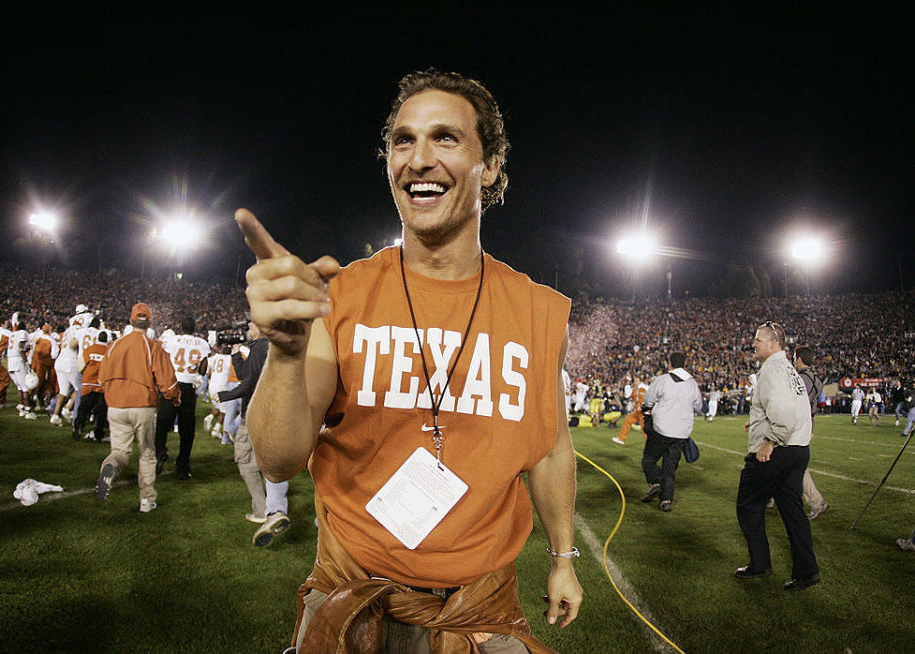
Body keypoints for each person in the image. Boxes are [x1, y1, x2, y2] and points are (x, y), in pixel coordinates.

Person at [237, 70, 582, 652]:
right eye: (403, 140)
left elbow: (549, 447)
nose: (418, 158)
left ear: (490, 166)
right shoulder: (340, 295)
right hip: (352, 600)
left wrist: (563, 558)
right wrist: (287, 353)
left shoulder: (537, 310)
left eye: (445, 138)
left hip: (481, 607)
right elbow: (276, 460)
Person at [734, 322, 820, 591]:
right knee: (792, 509)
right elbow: (793, 407)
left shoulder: (771, 370)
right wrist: (760, 424)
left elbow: (783, 412)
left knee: (748, 504)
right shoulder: (789, 370)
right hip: (798, 449)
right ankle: (807, 571)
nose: (754, 344)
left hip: (779, 450)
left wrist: (769, 440)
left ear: (772, 343)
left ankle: (760, 563)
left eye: (758, 340)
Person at [96, 303, 180, 513]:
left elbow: (102, 378)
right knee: (147, 454)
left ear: (131, 320)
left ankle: (111, 467)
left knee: (119, 451)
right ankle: (146, 499)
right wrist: (174, 398)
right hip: (143, 404)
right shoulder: (152, 346)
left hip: (116, 404)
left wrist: (112, 394)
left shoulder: (114, 345)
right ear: (149, 321)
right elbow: (167, 382)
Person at [214, 321, 291, 544]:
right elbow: (245, 374)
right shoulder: (274, 346)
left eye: (251, 324)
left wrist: (225, 396)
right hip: (277, 413)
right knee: (271, 462)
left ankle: (264, 510)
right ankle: (273, 509)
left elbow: (249, 384)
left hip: (257, 414)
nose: (248, 328)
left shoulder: (260, 347)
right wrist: (237, 354)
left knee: (246, 461)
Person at [638, 352, 702, 511]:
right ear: (684, 364)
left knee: (648, 460)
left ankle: (655, 482)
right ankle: (666, 500)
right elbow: (698, 406)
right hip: (681, 432)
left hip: (661, 429)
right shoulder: (692, 384)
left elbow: (648, 401)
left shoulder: (663, 380)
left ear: (669, 363)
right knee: (670, 467)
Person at [154, 317, 210, 480]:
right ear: (195, 328)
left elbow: (164, 358)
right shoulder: (202, 344)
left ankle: (160, 452)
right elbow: (202, 370)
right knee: (187, 431)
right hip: (188, 389)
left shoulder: (173, 340)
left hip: (172, 385)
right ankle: (182, 467)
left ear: (181, 327)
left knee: (162, 424)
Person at [793, 346, 828, 520]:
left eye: (794, 357)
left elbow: (793, 403)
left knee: (795, 464)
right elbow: (822, 403)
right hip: (810, 424)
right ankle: (771, 497)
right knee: (787, 462)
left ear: (799, 359)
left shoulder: (799, 379)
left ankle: (817, 502)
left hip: (798, 425)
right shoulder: (817, 380)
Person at [73, 329, 110, 442]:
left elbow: (80, 365)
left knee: (84, 408)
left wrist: (84, 373)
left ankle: (78, 427)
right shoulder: (109, 351)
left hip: (88, 382)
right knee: (101, 411)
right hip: (101, 385)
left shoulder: (91, 349)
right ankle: (99, 432)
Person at [613, 376, 648, 446]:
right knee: (627, 420)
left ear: (640, 381)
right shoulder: (635, 389)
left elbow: (651, 398)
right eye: (634, 380)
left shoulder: (646, 388)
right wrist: (627, 385)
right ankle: (621, 439)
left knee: (645, 429)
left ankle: (652, 443)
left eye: (636, 380)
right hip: (637, 412)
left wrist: (646, 408)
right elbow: (627, 396)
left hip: (644, 412)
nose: (635, 382)